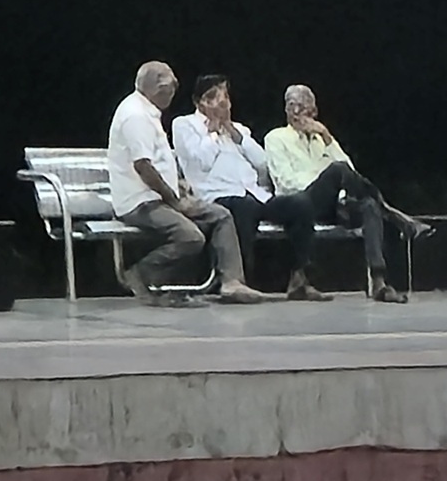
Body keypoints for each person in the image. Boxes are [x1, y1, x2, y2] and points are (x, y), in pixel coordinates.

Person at [102, 62, 257, 304]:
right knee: (190, 236)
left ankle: (232, 282)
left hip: (159, 198)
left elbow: (157, 161)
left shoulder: (148, 113)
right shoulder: (136, 116)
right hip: (140, 203)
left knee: (220, 215)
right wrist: (174, 201)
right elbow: (143, 166)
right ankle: (140, 274)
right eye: (170, 87)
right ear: (157, 88)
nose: (173, 92)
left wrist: (178, 186)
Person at [256, 83, 407, 296]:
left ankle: (378, 281)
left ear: (314, 112)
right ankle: (391, 211)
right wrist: (324, 182)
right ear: (286, 110)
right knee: (336, 170)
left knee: (369, 205)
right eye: (292, 106)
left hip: (334, 204)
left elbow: (351, 173)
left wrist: (326, 136)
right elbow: (286, 182)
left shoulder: (323, 138)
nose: (297, 112)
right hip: (301, 202)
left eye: (303, 107)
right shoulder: (276, 137)